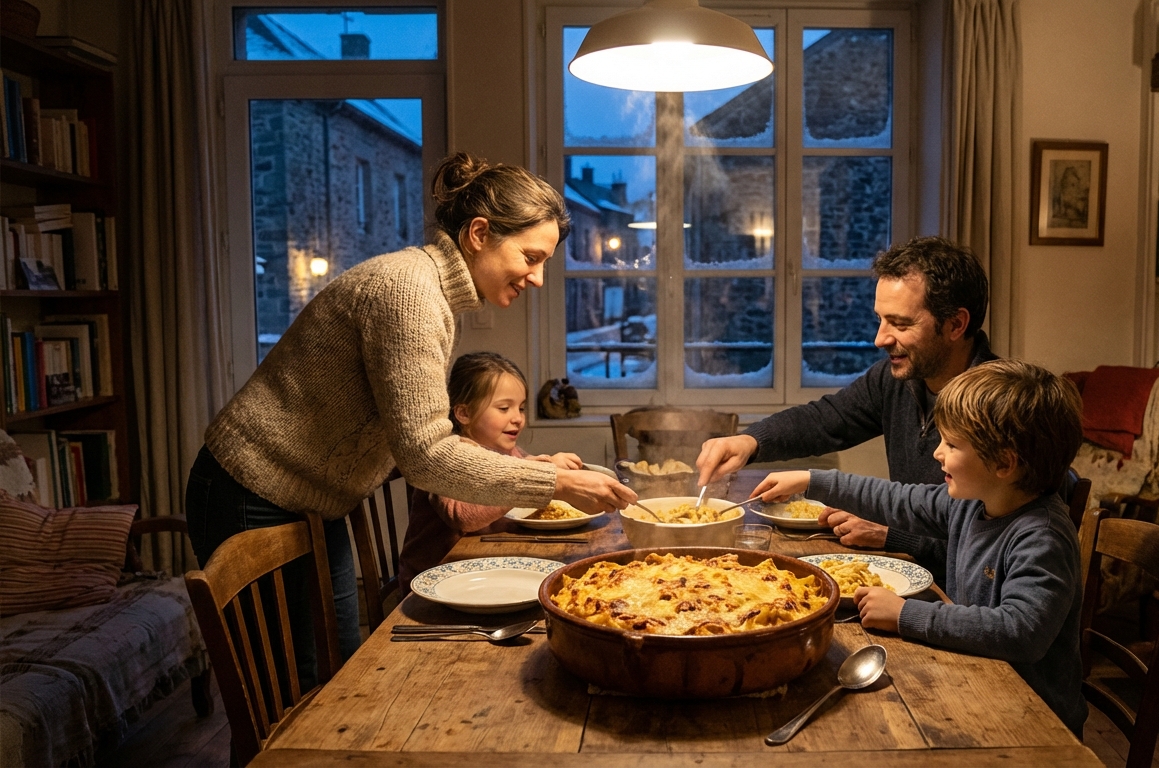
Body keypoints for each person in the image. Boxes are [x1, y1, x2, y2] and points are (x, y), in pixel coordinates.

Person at [184, 152, 636, 685]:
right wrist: (553, 481)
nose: (537, 278)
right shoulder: (409, 291)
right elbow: (426, 455)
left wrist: (532, 472)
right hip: (250, 489)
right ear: (479, 233)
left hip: (314, 499)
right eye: (530, 257)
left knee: (342, 676)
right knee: (287, 691)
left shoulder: (435, 296)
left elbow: (405, 437)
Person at [751, 359, 1087, 735]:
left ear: (1004, 464)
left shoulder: (1042, 535)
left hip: (1032, 718)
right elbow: (897, 499)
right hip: (977, 680)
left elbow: (1019, 631)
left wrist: (905, 615)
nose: (937, 453)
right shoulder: (973, 502)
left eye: (952, 444)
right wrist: (811, 479)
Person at [695, 236, 994, 576]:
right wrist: (750, 441)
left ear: (956, 324)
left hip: (958, 601)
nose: (880, 339)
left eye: (900, 323)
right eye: (880, 319)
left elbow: (988, 549)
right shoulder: (898, 378)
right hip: (912, 573)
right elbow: (828, 418)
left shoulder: (1000, 407)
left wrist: (894, 537)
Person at [398, 352, 583, 593]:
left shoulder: (508, 451)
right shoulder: (449, 457)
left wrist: (553, 469)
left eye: (521, 408)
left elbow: (524, 474)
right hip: (433, 582)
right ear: (464, 413)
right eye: (504, 408)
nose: (517, 418)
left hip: (481, 570)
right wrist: (543, 469)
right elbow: (463, 516)